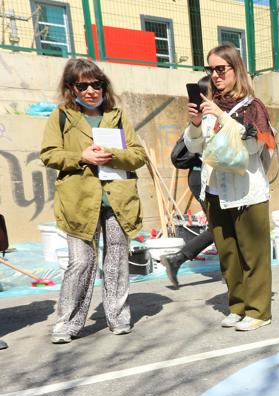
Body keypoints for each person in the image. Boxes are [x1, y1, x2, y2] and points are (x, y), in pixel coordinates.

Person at [40, 58, 147, 344]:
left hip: (117, 201)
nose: (90, 91)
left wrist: (113, 154)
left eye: (96, 84)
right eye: (83, 85)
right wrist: (81, 157)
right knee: (81, 262)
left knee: (116, 261)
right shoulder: (61, 115)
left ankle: (118, 317)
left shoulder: (117, 115)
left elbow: (138, 155)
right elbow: (49, 154)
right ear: (71, 88)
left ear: (103, 86)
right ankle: (67, 324)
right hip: (78, 202)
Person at [183, 44, 275, 331]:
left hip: (247, 190)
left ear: (236, 69)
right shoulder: (210, 106)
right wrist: (197, 123)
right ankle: (237, 306)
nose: (215, 75)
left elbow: (254, 145)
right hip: (215, 190)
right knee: (228, 254)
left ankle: (259, 311)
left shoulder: (252, 107)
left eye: (220, 69)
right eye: (210, 69)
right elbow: (194, 146)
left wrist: (222, 118)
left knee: (253, 255)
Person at [162, 75, 215, 289]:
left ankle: (177, 259)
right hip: (203, 176)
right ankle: (177, 259)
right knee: (219, 226)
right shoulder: (202, 120)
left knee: (220, 226)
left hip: (202, 175)